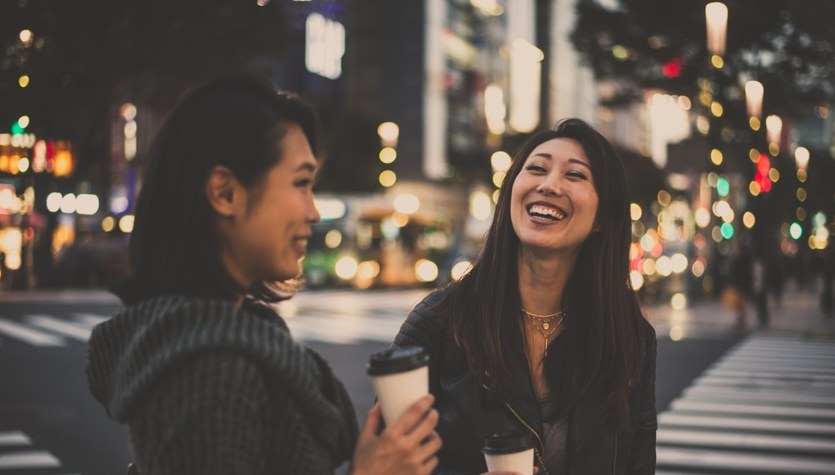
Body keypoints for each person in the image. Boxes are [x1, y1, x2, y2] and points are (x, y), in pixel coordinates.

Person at [86, 74, 442, 475]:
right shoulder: (207, 372)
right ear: (225, 192)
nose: (313, 212)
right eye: (301, 183)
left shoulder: (233, 337)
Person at [393, 119, 657, 474]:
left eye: (575, 175)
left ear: (602, 219)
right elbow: (385, 460)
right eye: (536, 169)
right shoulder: (438, 322)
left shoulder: (630, 340)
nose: (549, 185)